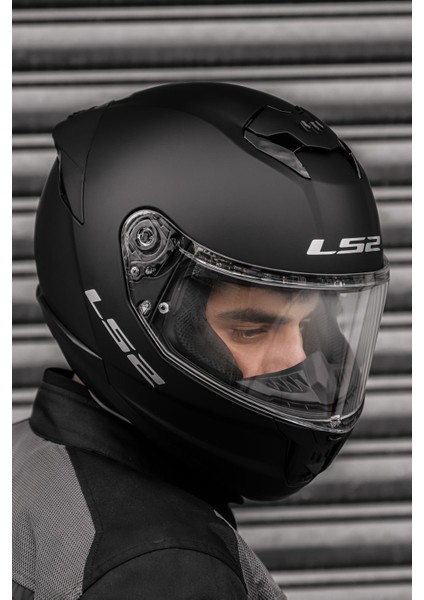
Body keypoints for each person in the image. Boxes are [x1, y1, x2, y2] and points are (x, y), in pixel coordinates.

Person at [12, 82, 389, 599]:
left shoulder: (31, 459)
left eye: (311, 326)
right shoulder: (165, 567)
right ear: (128, 303)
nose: (298, 360)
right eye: (251, 328)